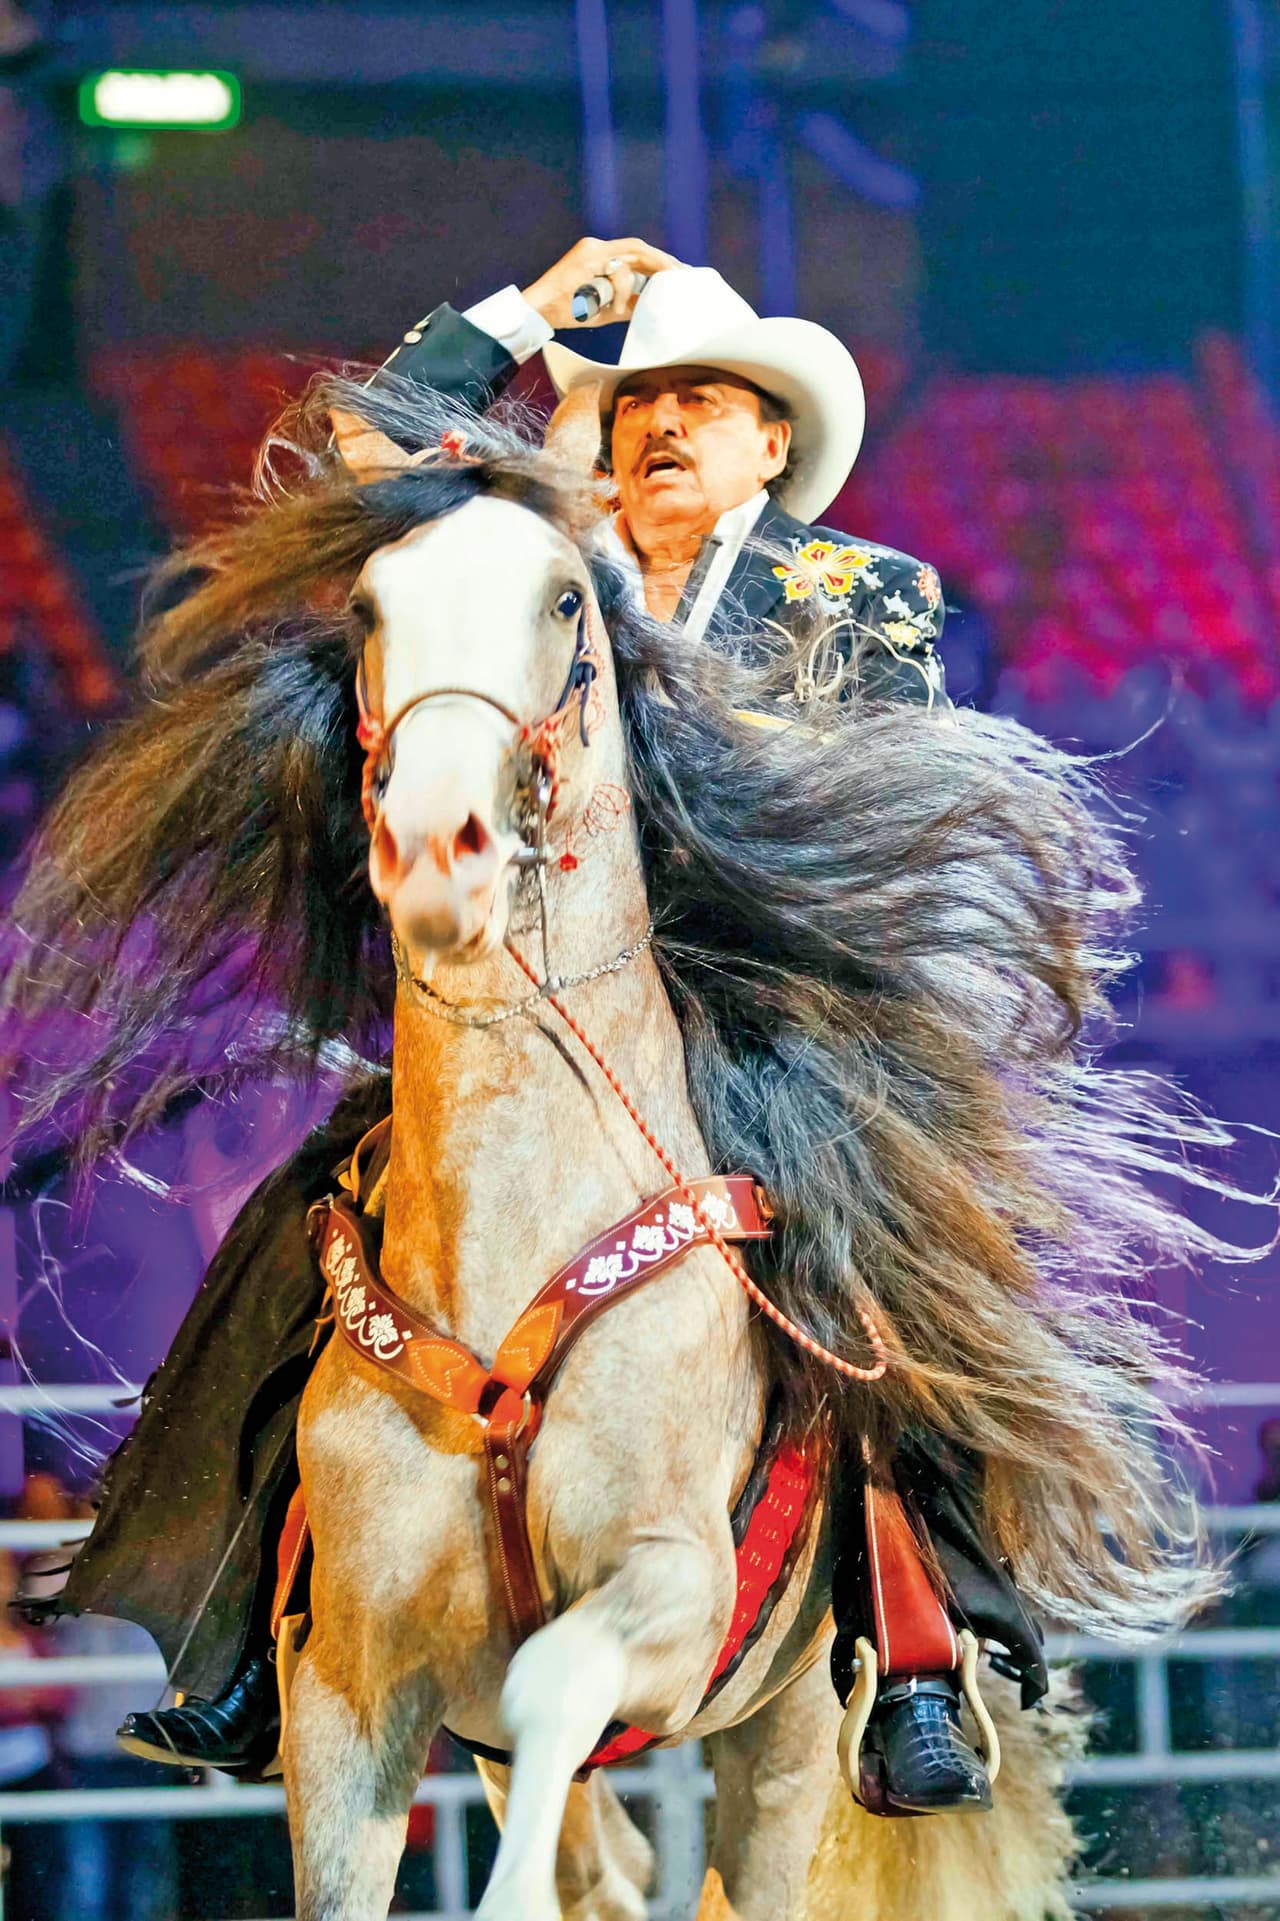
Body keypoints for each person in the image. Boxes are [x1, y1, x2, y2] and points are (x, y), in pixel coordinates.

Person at [41, 239, 1045, 1819]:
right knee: (314, 1216)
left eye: (704, 401)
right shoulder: (533, 561)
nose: (659, 424)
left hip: (765, 1015)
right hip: (525, 1005)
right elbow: (363, 454)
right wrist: (518, 315)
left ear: (772, 445)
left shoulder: (865, 597)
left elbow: (870, 812)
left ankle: (923, 1642)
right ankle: (249, 1611)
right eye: (636, 397)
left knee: (877, 1245)